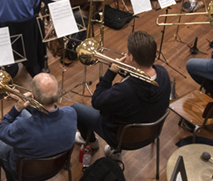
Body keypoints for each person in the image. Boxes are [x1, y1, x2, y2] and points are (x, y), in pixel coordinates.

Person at [71, 31, 170, 159]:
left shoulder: (124, 91)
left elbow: (96, 101)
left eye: (128, 53)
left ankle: (91, 142)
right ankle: (114, 151)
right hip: (151, 132)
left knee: (76, 109)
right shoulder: (163, 73)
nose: (126, 55)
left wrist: (110, 73)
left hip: (121, 138)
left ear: (132, 57)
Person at [0, 73, 77, 181]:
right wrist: (18, 99)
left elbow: (1, 132)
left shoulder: (23, 127)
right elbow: (46, 114)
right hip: (56, 167)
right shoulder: (71, 113)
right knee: (25, 114)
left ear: (33, 96)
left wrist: (16, 108)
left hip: (22, 171)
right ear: (57, 94)